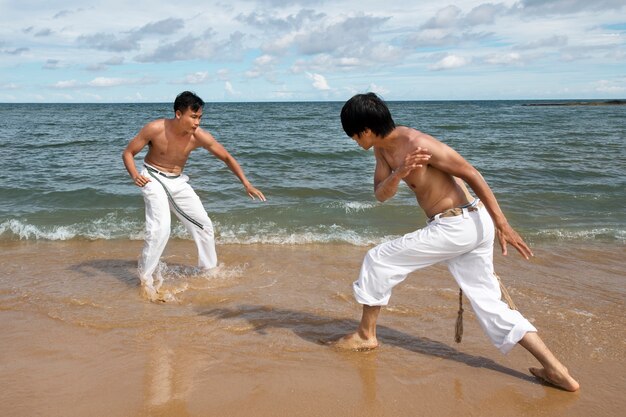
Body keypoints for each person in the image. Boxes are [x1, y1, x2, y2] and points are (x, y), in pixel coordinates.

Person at [334, 92, 579, 392]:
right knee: (491, 306)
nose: (353, 141)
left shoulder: (418, 144)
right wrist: (399, 174)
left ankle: (365, 334)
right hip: (460, 227)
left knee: (378, 259)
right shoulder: (383, 152)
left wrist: (503, 224)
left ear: (367, 130)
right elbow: (381, 195)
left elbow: (471, 173)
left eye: (353, 135)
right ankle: (557, 371)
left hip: (460, 223)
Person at [122, 91, 265, 301]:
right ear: (179, 114)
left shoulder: (199, 136)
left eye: (200, 118)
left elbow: (226, 156)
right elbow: (128, 153)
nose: (197, 122)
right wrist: (135, 175)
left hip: (178, 181)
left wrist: (246, 183)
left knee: (204, 225)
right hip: (151, 176)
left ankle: (208, 271)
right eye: (193, 117)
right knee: (161, 228)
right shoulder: (155, 128)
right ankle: (146, 280)